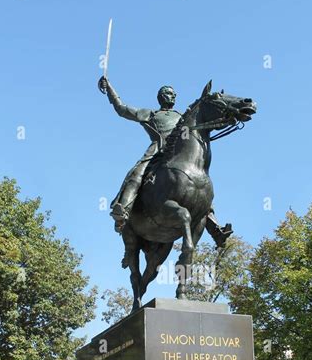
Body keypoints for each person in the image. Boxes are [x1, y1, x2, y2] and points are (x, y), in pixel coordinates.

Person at [98, 76, 232, 245]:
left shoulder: (184, 116)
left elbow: (205, 126)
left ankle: (214, 229)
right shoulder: (150, 114)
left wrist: (227, 117)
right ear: (160, 97)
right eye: (168, 93)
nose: (172, 95)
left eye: (174, 93)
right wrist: (109, 89)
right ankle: (122, 212)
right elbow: (122, 109)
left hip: (180, 154)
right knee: (135, 175)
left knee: (200, 186)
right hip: (157, 152)